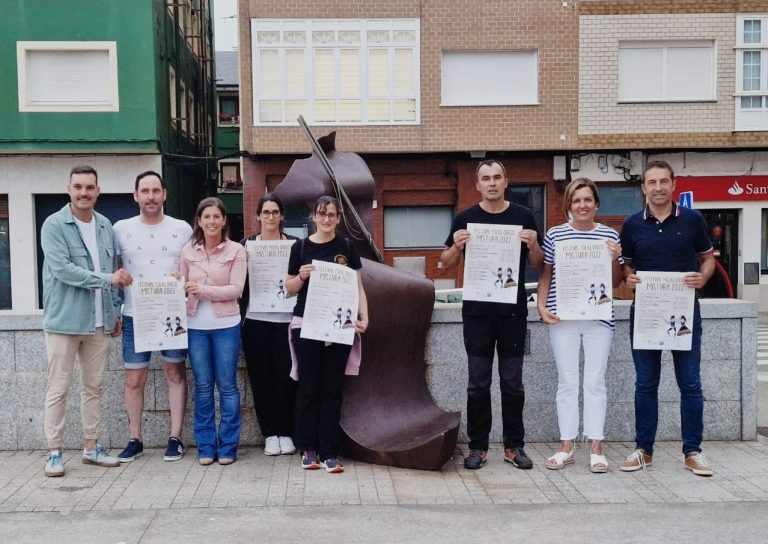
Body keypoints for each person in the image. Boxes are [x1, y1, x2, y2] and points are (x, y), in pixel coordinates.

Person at [440, 159, 543, 470]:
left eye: (497, 177)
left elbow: (538, 263)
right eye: (486, 178)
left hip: (512, 313)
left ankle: (514, 446)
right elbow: (444, 263)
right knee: (478, 383)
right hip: (477, 314)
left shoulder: (523, 216)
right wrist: (456, 248)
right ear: (478, 185)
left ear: (506, 181)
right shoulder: (465, 218)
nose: (492, 183)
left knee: (513, 383)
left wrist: (534, 243)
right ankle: (478, 447)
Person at [619, 160, 716, 477]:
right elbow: (627, 266)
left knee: (690, 384)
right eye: (652, 182)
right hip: (646, 313)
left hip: (684, 312)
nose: (658, 187)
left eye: (664, 181)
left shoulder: (693, 220)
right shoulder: (632, 224)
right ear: (643, 187)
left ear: (673, 185)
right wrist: (629, 278)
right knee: (645, 384)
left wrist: (703, 277)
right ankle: (644, 450)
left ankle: (693, 451)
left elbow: (708, 260)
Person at [40, 165, 133, 477]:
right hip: (64, 321)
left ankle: (91, 448)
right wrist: (108, 280)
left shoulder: (105, 225)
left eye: (89, 187)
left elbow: (115, 268)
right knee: (58, 388)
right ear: (69, 189)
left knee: (94, 387)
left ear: (98, 191)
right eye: (78, 187)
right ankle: (54, 452)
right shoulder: (53, 225)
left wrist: (115, 311)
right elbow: (64, 270)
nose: (84, 193)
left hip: (99, 323)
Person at [536, 178, 623, 473]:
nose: (582, 205)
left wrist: (614, 260)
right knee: (567, 382)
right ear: (569, 205)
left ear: (596, 204)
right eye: (576, 200)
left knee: (595, 382)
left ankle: (596, 448)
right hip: (564, 318)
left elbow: (615, 283)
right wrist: (541, 305)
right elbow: (547, 273)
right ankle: (567, 446)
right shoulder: (555, 235)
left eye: (587, 199)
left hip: (599, 319)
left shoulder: (610, 235)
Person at [113, 171, 193, 463]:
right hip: (136, 314)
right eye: (145, 191)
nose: (150, 196)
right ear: (135, 195)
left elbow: (192, 267)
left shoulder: (182, 229)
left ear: (165, 194)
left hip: (172, 313)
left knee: (175, 373)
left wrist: (182, 278)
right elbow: (114, 269)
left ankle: (175, 437)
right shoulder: (120, 229)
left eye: (155, 190)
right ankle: (135, 438)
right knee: (135, 378)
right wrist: (114, 309)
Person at [286, 196, 369, 473]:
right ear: (313, 217)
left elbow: (358, 286)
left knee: (333, 389)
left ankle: (329, 451)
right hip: (306, 324)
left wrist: (364, 316)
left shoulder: (347, 246)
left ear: (338, 218)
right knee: (308, 387)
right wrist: (302, 277)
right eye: (322, 214)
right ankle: (308, 448)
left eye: (332, 214)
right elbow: (289, 288)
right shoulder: (300, 247)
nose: (327, 219)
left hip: (338, 326)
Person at [180, 197, 246, 466]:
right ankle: (206, 447)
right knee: (203, 387)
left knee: (228, 387)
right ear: (199, 221)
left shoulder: (237, 251)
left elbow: (236, 289)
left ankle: (228, 446)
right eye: (206, 217)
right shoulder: (187, 251)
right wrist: (178, 285)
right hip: (195, 326)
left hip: (226, 326)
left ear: (224, 220)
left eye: (216, 217)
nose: (211, 221)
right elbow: (182, 284)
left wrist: (203, 290)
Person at [240, 194, 298, 457]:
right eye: (266, 212)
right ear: (258, 216)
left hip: (286, 322)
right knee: (261, 379)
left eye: (276, 212)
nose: (271, 217)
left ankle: (286, 431)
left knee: (287, 377)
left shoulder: (296, 245)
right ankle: (269, 434)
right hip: (255, 322)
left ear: (282, 216)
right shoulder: (246, 246)